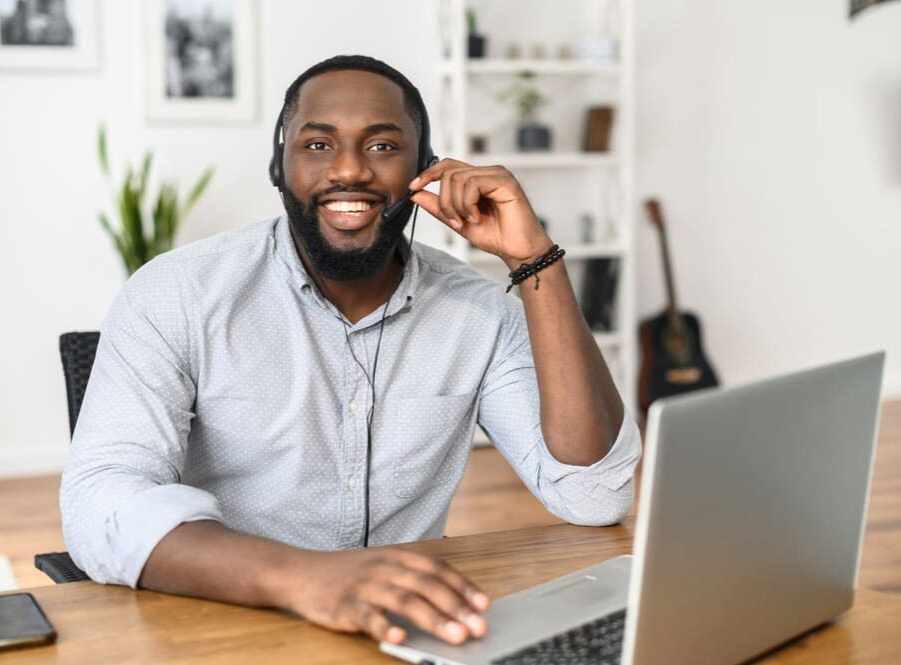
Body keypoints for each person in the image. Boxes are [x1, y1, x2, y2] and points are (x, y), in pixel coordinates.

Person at [61, 54, 641, 648]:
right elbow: (100, 503)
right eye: (317, 145)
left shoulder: (480, 312)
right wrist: (309, 578)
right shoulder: (176, 293)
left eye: (383, 146)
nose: (349, 171)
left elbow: (592, 495)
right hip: (227, 623)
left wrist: (534, 259)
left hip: (408, 630)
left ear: (426, 170)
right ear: (278, 167)